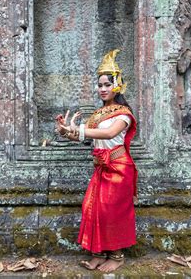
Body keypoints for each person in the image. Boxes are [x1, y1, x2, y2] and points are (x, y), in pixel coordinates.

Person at [55, 49, 138, 273]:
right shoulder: (98, 114)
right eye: (100, 85)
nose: (102, 89)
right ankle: (99, 253)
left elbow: (110, 134)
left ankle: (117, 256)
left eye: (107, 85)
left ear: (117, 85)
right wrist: (65, 131)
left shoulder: (123, 114)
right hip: (102, 168)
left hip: (119, 168)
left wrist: (79, 129)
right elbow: (83, 137)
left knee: (112, 212)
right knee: (92, 210)